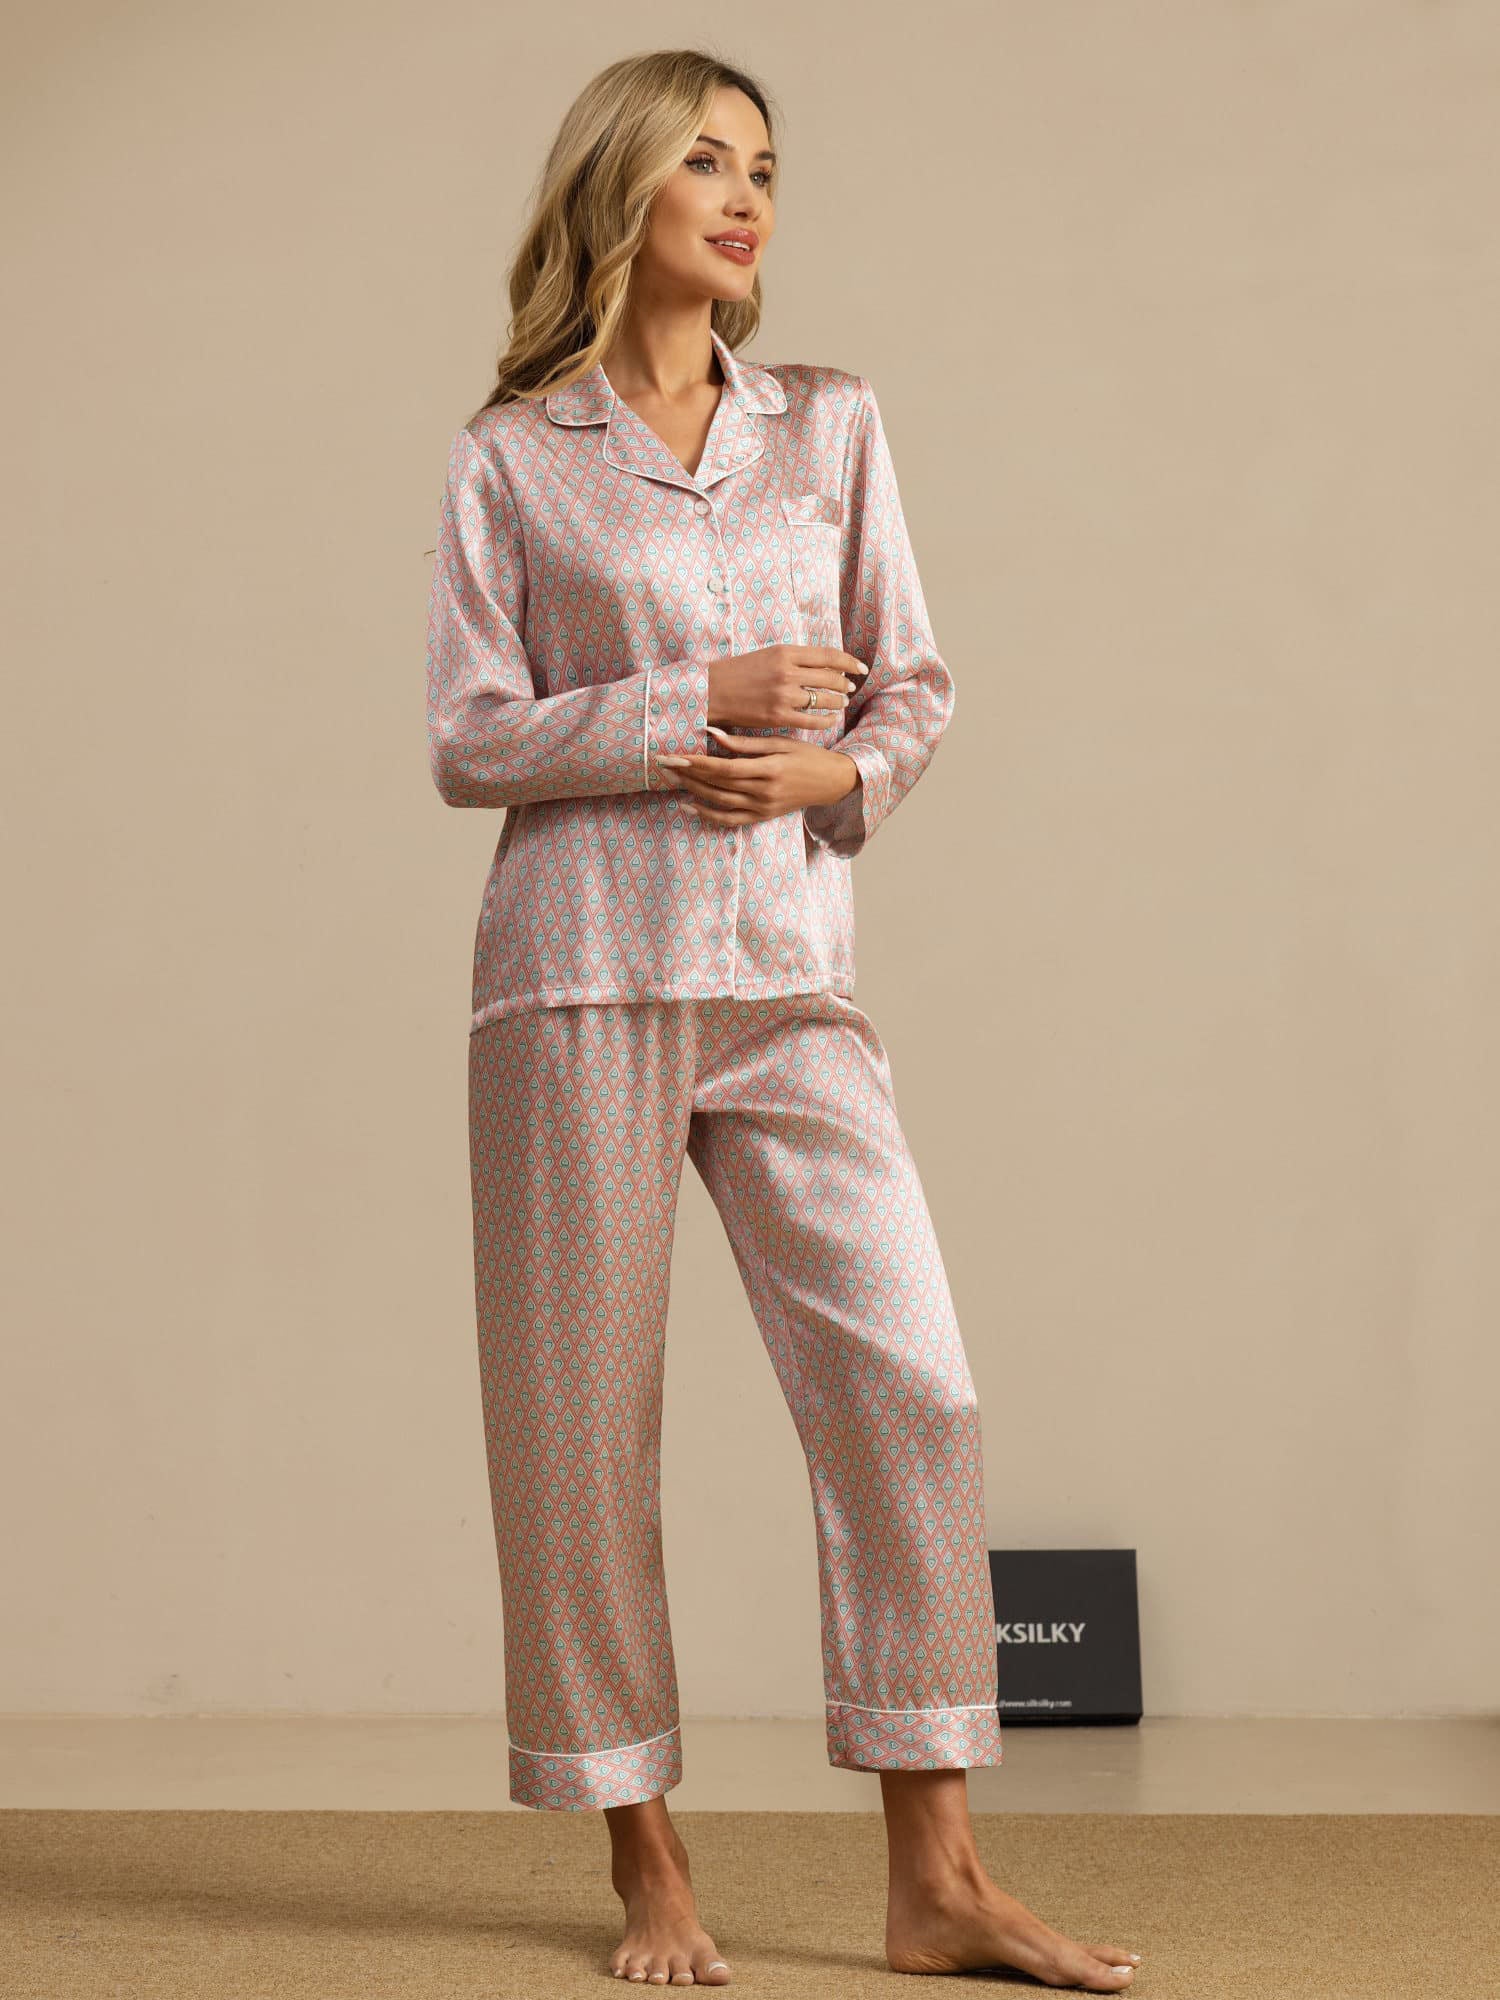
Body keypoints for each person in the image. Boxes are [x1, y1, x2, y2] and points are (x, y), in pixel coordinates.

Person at [424, 45, 1142, 1994]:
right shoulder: (515, 453)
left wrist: (832, 778)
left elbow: (912, 687)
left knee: (914, 1389)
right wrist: (695, 704)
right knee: (579, 1440)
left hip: (788, 975)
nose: (747, 197)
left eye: (765, 167)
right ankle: (648, 1867)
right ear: (623, 189)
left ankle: (942, 1879)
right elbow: (468, 740)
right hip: (576, 978)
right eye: (707, 163)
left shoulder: (828, 422)